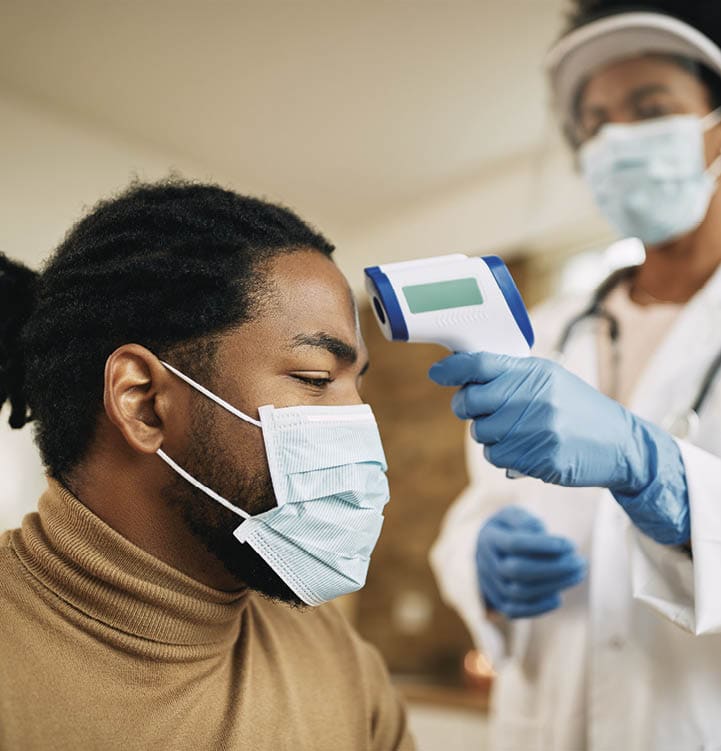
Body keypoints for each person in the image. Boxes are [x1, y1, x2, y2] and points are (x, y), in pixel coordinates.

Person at [0, 180, 413, 750]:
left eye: (355, 384)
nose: (362, 425)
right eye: (316, 379)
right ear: (144, 403)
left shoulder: (339, 658)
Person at [430, 2, 721, 750]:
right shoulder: (546, 325)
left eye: (648, 108)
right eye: (594, 123)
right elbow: (479, 503)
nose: (614, 138)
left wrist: (660, 474)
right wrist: (480, 566)